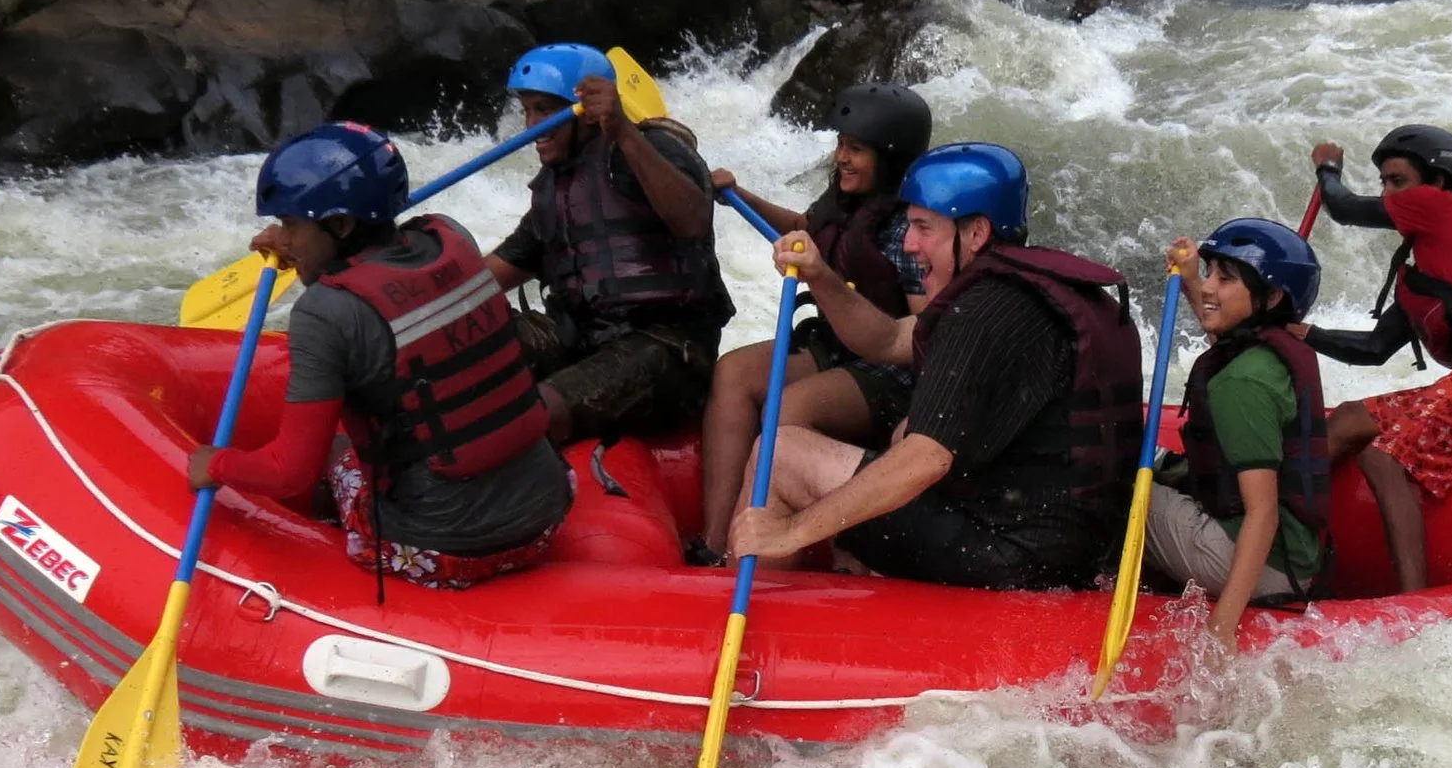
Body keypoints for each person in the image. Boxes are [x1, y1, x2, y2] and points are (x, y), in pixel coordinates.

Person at [725, 142, 1143, 591]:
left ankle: (739, 602)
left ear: (976, 233)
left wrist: (790, 532)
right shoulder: (1031, 292)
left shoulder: (980, 313)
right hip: (1074, 545)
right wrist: (821, 276)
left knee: (782, 454)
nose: (909, 244)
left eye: (924, 228)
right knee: (904, 431)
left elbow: (927, 460)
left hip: (1014, 557)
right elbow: (887, 339)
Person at [186, 122, 574, 592]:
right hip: (546, 517)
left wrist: (215, 464)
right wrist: (302, 247)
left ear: (340, 225)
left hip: (443, 550)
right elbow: (378, 272)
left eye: (291, 224)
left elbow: (289, 473)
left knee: (336, 453)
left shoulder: (324, 314)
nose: (284, 237)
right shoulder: (450, 237)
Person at [694, 82, 934, 561]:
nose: (842, 157)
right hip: (839, 346)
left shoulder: (910, 230)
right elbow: (807, 229)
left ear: (890, 158)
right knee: (734, 371)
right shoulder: (846, 201)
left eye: (856, 149)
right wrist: (739, 196)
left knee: (787, 407)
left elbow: (926, 332)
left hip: (891, 370)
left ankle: (771, 553)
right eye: (841, 144)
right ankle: (715, 544)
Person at [1304, 124, 1452, 592]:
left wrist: (1327, 168)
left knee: (1383, 458)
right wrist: (1304, 334)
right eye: (1384, 183)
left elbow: (1345, 207)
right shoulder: (1428, 274)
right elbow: (1374, 349)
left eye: (1398, 181)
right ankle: (1279, 546)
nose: (1388, 194)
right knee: (1351, 418)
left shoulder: (1443, 206)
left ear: (1437, 182)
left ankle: (1412, 596)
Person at [484, 42, 734, 447]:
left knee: (541, 409)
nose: (531, 126)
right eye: (527, 110)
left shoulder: (653, 149)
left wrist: (623, 131)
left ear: (583, 111)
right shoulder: (555, 189)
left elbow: (692, 220)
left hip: (668, 347)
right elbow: (487, 277)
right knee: (471, 342)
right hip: (582, 339)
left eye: (544, 110)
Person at [1146, 218, 1332, 640]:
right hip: (1295, 556)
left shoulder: (1242, 383)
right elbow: (1222, 325)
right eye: (1210, 273)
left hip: (1267, 569)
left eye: (1225, 279)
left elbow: (1263, 513)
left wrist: (1223, 624)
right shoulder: (1266, 350)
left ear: (1272, 297)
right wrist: (1191, 278)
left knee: (1117, 491)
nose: (1210, 287)